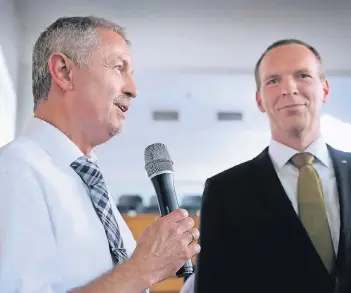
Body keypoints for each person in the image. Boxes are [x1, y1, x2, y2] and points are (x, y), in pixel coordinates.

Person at [0, 16, 200, 293]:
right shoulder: (14, 171)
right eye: (119, 68)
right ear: (64, 71)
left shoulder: (88, 185)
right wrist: (144, 268)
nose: (133, 89)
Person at [193, 39, 351, 293]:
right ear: (259, 100)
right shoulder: (225, 191)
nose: (289, 88)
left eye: (302, 75)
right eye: (273, 81)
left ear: (325, 89)